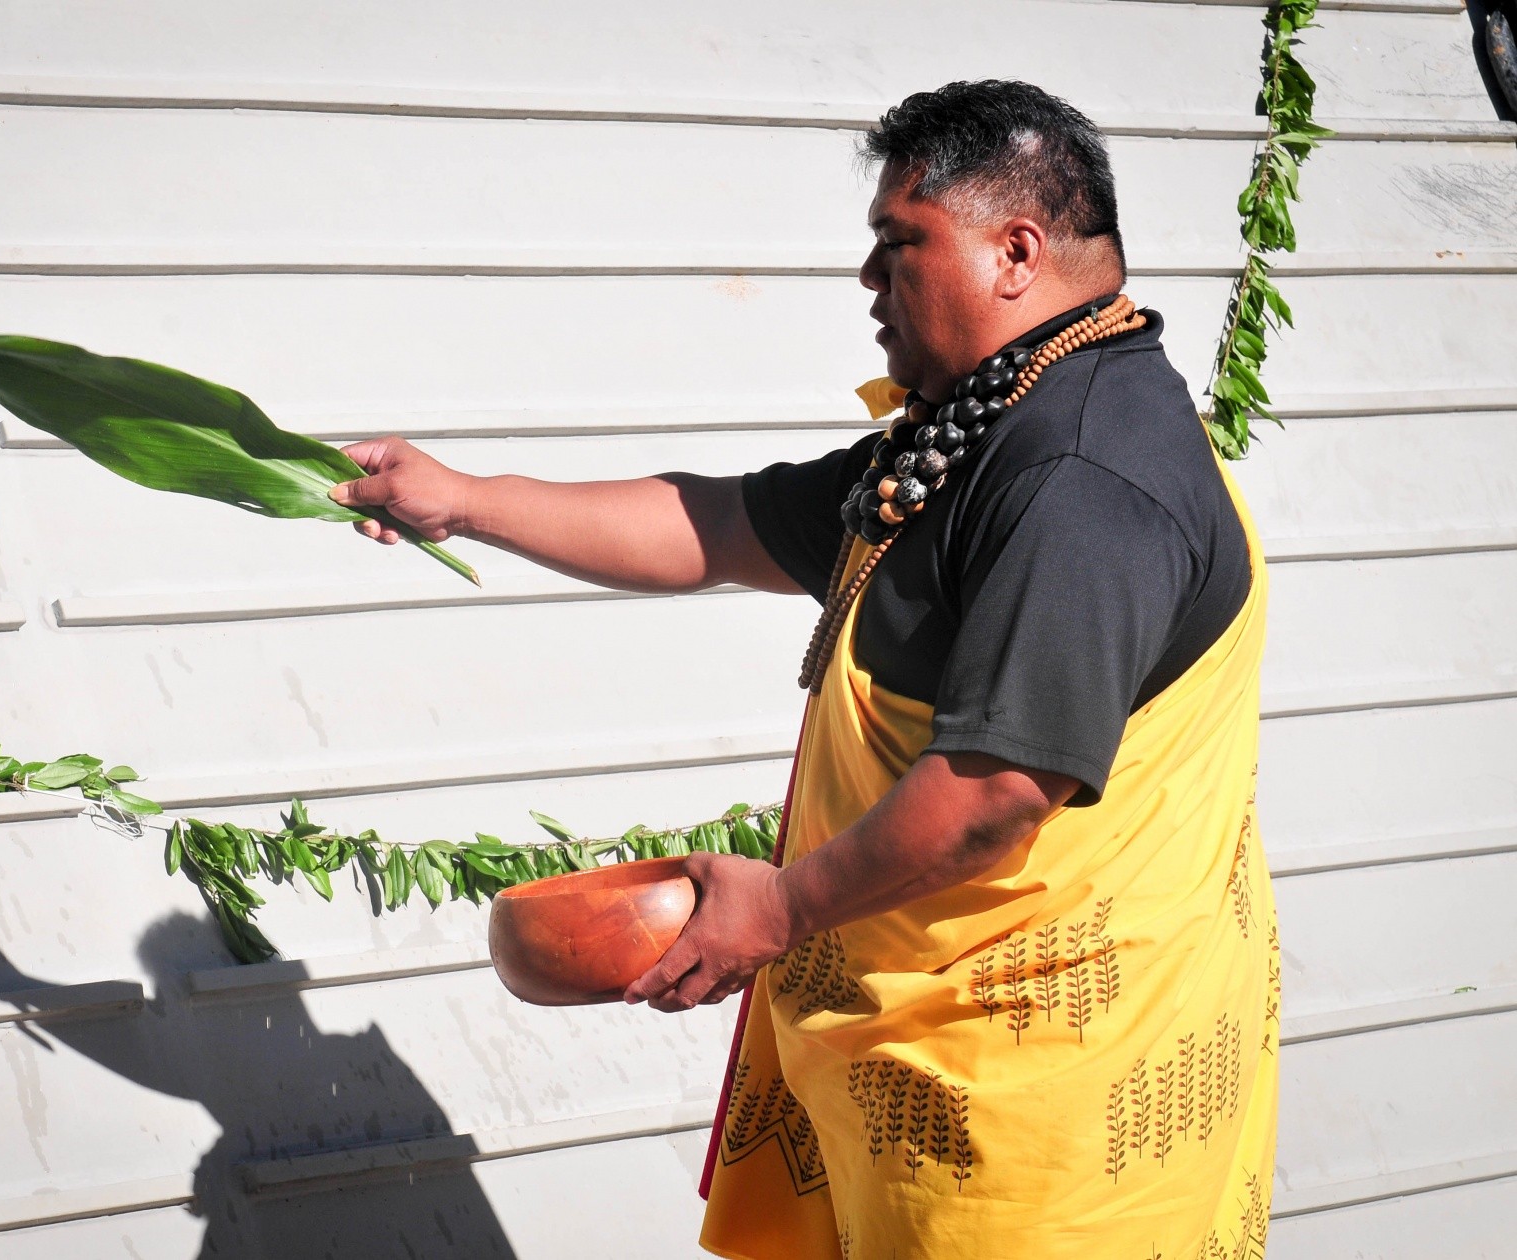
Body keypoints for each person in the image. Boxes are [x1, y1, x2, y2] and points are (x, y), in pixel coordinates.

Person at [329, 80, 1277, 1260]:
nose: (870, 287)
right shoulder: (986, 420)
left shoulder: (1082, 477)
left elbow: (994, 798)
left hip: (1040, 1121)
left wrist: (779, 907)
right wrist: (463, 502)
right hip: (911, 1068)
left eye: (897, 249)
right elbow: (719, 525)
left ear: (1017, 251)